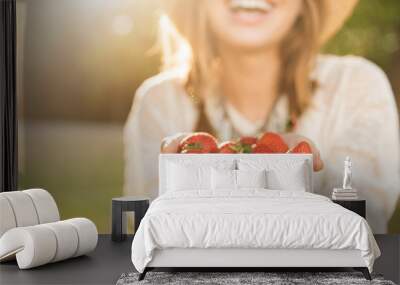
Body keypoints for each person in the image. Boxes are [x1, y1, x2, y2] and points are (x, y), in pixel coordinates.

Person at [124, 0, 400, 233]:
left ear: (306, 5)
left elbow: (359, 226)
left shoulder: (355, 86)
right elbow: (150, 230)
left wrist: (288, 175)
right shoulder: (160, 101)